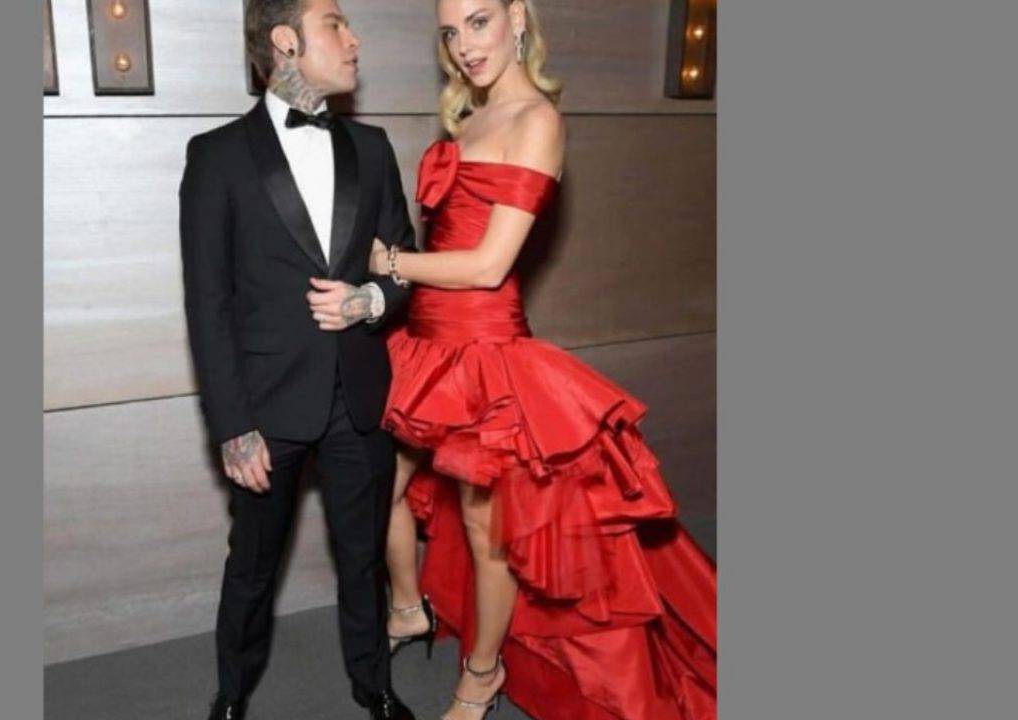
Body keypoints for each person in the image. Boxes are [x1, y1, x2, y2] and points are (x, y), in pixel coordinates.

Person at [365, 1, 718, 719]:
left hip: (485, 356)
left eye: (479, 22)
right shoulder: (470, 118)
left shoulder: (537, 121)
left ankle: (482, 673)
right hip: (424, 347)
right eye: (450, 32)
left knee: (485, 529)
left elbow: (490, 266)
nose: (465, 46)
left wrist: (390, 263)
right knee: (375, 486)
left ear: (517, 18)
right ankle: (407, 607)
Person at [178, 1, 419, 718]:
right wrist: (232, 425)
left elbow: (402, 265)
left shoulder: (373, 147)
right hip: (264, 407)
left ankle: (374, 686)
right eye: (335, 24)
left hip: (357, 396)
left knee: (363, 558)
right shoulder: (217, 156)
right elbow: (208, 304)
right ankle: (231, 696)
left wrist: (369, 301)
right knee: (252, 567)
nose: (353, 39)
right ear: (285, 41)